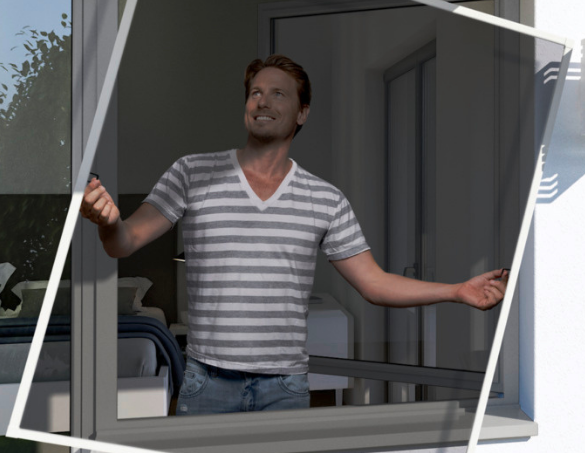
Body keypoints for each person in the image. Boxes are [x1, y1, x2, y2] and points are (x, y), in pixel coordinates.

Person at [80, 54, 507, 414]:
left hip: (284, 389)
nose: (263, 101)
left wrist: (457, 291)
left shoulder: (326, 199)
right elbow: (125, 242)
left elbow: (374, 284)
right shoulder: (192, 173)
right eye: (255, 92)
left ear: (302, 113)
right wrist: (107, 221)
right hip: (206, 382)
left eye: (278, 93)